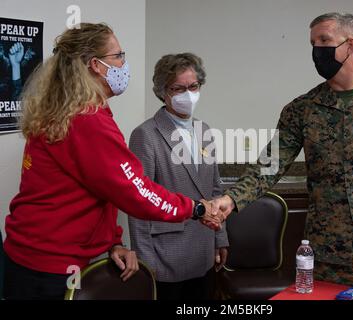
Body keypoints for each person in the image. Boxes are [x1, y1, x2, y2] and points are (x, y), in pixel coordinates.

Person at [208, 13, 353, 298]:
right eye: (312, 43)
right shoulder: (303, 109)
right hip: (331, 255)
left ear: (350, 45)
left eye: (324, 41)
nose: (316, 50)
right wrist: (231, 199)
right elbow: (269, 164)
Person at [2, 23, 217, 300]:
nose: (124, 63)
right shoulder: (86, 119)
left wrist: (113, 242)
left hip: (32, 258)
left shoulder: (70, 110)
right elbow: (135, 191)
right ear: (96, 65)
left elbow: (100, 188)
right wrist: (194, 208)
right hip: (50, 268)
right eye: (118, 56)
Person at [128, 53, 228, 300]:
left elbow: (215, 188)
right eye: (178, 88)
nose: (188, 94)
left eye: (193, 86)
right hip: (165, 255)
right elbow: (139, 202)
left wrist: (220, 237)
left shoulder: (204, 130)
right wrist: (145, 260)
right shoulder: (145, 135)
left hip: (203, 250)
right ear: (163, 92)